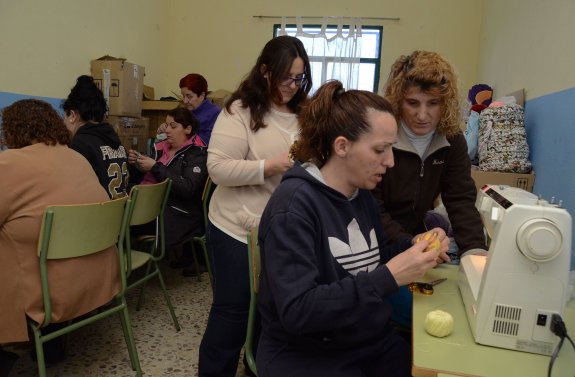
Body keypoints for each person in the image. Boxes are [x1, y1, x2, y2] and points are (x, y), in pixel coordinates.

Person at [256, 80, 447, 377]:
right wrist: (390, 276)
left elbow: (373, 255)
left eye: (391, 149)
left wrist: (415, 247)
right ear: (342, 146)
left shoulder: (361, 196)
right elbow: (299, 311)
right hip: (308, 354)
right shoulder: (293, 208)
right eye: (380, 149)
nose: (391, 161)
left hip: (366, 341)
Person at [198, 35, 312, 376]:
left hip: (279, 231)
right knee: (233, 313)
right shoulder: (240, 111)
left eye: (299, 77)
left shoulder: (304, 113)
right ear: (264, 71)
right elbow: (217, 168)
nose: (293, 85)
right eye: (286, 77)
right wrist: (271, 166)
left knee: (271, 314)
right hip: (235, 228)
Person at [372, 50, 488, 328]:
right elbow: (371, 207)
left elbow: (460, 200)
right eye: (412, 103)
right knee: (413, 312)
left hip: (414, 242)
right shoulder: (382, 138)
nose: (422, 115)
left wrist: (476, 253)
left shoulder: (452, 142)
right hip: (376, 244)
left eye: (433, 103)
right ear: (398, 99)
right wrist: (410, 242)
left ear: (445, 103)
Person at [0, 99, 120, 359]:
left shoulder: (9, 163)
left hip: (45, 288)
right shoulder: (77, 157)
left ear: (11, 131)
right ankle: (51, 346)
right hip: (95, 279)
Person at [127, 107, 208, 250]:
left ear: (188, 129)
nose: (167, 130)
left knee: (118, 222)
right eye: (166, 125)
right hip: (147, 203)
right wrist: (137, 164)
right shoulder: (161, 148)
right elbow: (148, 177)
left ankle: (120, 263)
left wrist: (154, 167)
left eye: (173, 126)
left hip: (173, 214)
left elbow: (187, 188)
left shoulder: (197, 155)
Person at [62, 75, 129, 199]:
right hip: (118, 213)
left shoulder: (80, 143)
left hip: (96, 215)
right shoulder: (114, 139)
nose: (64, 124)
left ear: (72, 115)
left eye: (64, 118)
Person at [158, 73, 221, 145]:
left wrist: (179, 135)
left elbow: (208, 142)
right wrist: (166, 127)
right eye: (183, 96)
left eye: (189, 96)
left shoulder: (215, 113)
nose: (185, 101)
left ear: (202, 95)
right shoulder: (185, 110)